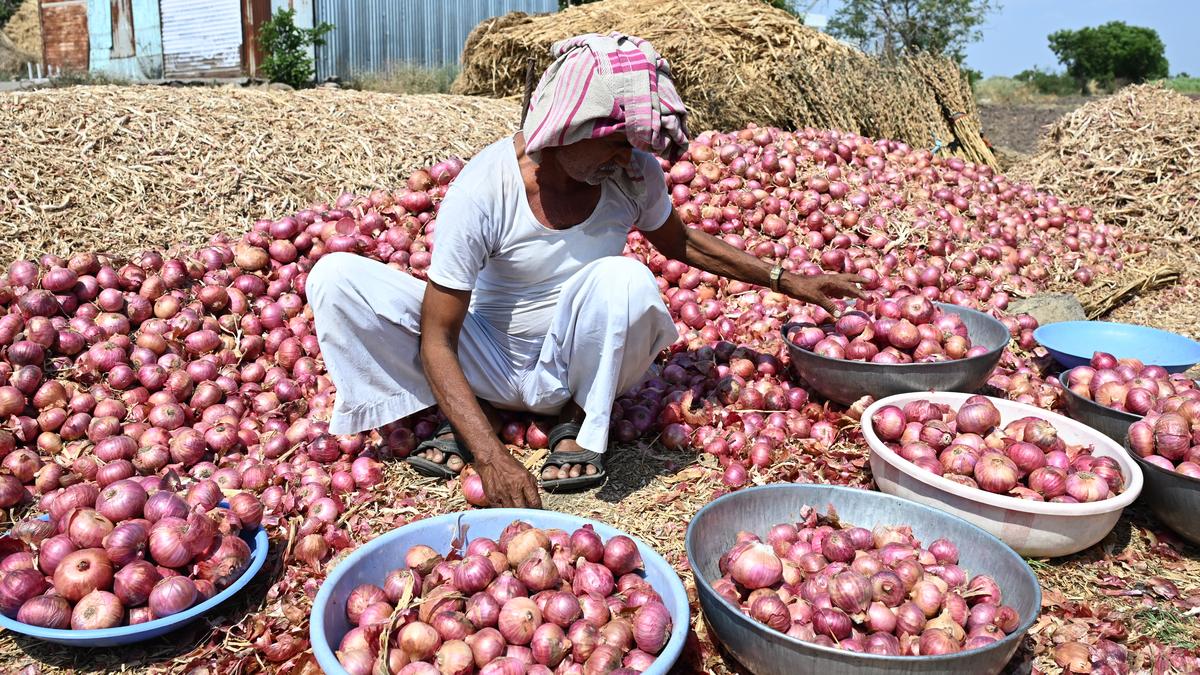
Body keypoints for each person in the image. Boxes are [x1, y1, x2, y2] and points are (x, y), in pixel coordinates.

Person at [308, 33, 863, 509]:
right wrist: (492, 458)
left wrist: (788, 281)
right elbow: (437, 336)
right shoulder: (485, 187)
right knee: (336, 278)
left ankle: (577, 427)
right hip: (487, 360)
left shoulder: (633, 174)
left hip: (573, 370)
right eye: (616, 144)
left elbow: (681, 242)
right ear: (564, 126)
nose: (626, 158)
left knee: (625, 279)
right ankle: (461, 415)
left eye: (634, 145)